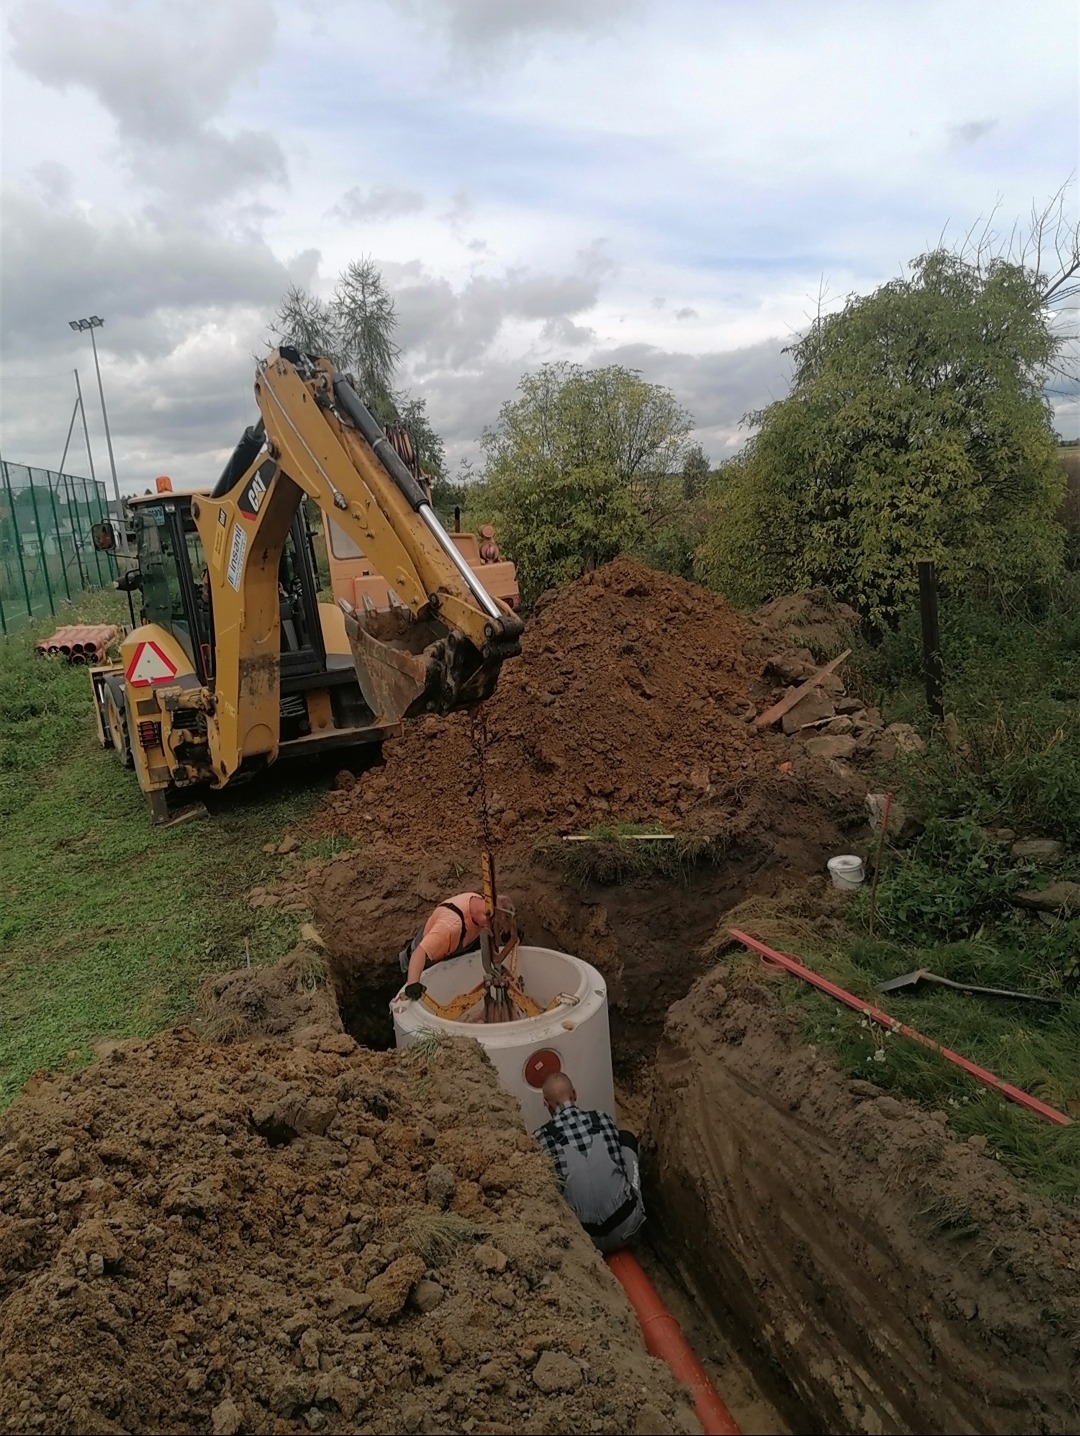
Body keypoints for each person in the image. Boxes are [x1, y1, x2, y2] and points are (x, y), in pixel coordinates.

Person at [532, 1072, 644, 1253]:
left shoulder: (540, 1139)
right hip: (628, 1226)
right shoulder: (602, 1118)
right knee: (626, 1138)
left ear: (546, 1103)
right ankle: (637, 1199)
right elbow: (619, 1164)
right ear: (574, 1094)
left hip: (587, 1243)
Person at [399, 892, 515, 999]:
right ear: (488, 917)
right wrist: (413, 984)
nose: (497, 931)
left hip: (449, 953)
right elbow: (419, 952)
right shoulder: (450, 927)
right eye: (497, 927)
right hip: (419, 964)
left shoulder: (480, 903)